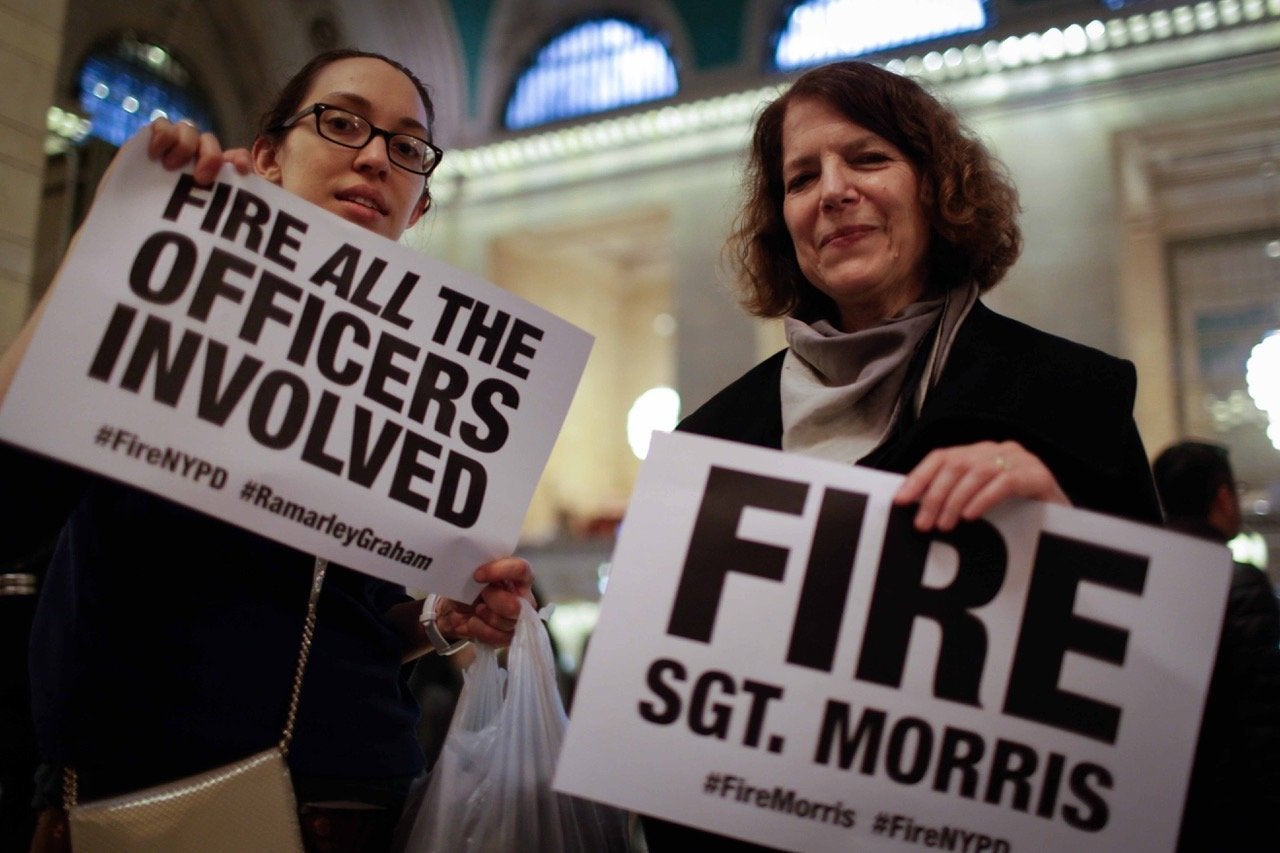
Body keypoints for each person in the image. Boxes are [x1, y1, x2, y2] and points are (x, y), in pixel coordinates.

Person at [0, 49, 535, 853]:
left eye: (406, 147)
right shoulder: (163, 306)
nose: (373, 159)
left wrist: (438, 618)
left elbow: (348, 621)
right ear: (268, 158)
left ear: (419, 205)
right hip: (149, 809)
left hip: (364, 812)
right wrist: (114, 235)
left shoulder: (405, 384)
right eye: (343, 122)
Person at [642, 59, 1162, 849]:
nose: (833, 191)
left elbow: (1166, 697)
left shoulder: (1070, 396)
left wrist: (1068, 541)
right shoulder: (710, 442)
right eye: (801, 177)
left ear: (936, 184)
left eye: (869, 158)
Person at [1152, 440, 1280, 851]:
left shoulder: (1145, 578)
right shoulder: (1237, 582)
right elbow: (1263, 712)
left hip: (1169, 804)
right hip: (1234, 810)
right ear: (1223, 497)